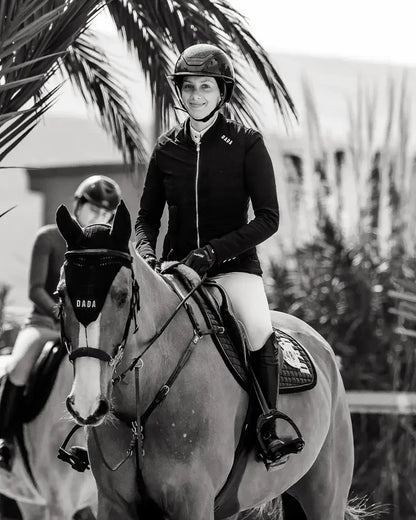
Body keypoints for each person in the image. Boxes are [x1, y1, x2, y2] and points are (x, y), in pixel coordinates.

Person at [135, 44, 295, 465]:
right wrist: (149, 257)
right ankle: (108, 427)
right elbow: (146, 219)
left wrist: (211, 254)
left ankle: (268, 428)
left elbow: (268, 218)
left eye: (205, 86)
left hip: (234, 270)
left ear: (222, 92)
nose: (196, 95)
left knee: (259, 329)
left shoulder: (246, 143)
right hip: (173, 271)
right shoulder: (166, 147)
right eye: (188, 87)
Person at [0, 175, 122, 471]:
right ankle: (5, 440)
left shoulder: (102, 250)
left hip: (83, 331)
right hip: (43, 325)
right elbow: (34, 290)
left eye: (106, 214)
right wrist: (63, 314)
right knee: (20, 365)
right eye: (94, 210)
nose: (100, 218)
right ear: (77, 205)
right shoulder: (49, 237)